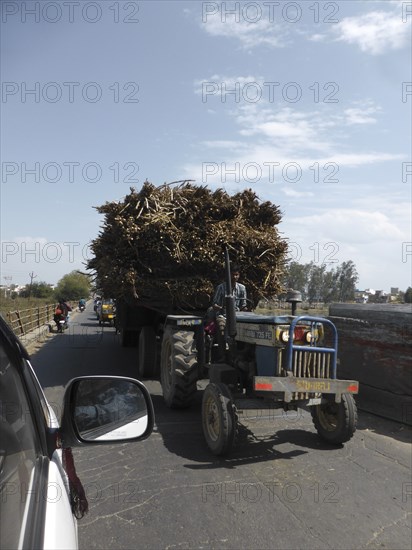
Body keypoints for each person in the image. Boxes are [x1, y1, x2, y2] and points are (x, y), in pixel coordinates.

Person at [210, 264, 248, 361]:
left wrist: (245, 310)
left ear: (239, 275)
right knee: (222, 327)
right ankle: (222, 355)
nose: (235, 277)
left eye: (236, 275)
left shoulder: (242, 288)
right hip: (223, 314)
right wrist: (222, 307)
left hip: (237, 316)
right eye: (233, 275)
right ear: (228, 275)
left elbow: (243, 305)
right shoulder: (221, 288)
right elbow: (214, 304)